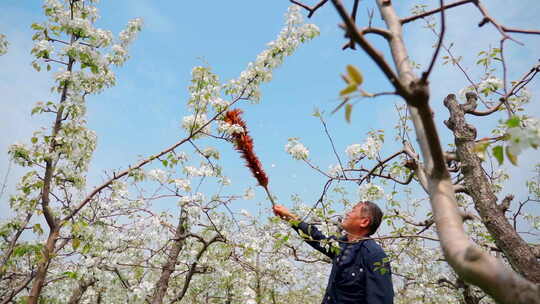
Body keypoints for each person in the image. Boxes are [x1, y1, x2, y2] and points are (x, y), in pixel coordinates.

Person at [273, 201, 394, 304]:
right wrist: (289, 217)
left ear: (364, 222)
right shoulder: (341, 245)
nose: (347, 213)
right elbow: (316, 237)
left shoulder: (375, 255)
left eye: (353, 211)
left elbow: (382, 299)